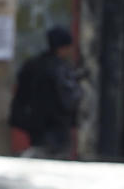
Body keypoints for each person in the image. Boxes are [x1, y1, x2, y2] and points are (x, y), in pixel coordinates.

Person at [9, 26, 82, 157]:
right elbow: (68, 99)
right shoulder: (61, 68)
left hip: (35, 124)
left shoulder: (32, 64)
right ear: (63, 47)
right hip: (56, 126)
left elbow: (21, 95)